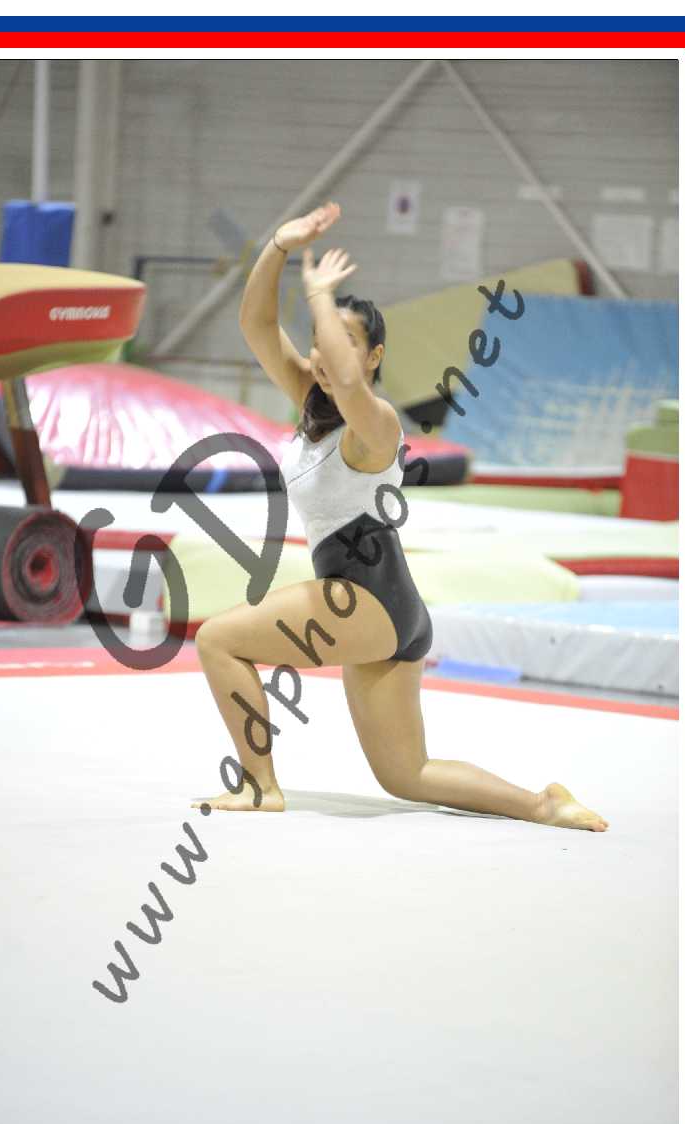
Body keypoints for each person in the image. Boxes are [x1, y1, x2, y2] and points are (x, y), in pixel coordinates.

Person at [192, 201, 608, 832]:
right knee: (406, 774)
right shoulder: (312, 402)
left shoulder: (377, 422)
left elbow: (349, 385)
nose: (324, 353)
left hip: (364, 597)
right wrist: (278, 245)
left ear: (374, 355)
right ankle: (543, 803)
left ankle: (259, 786)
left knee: (218, 639)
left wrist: (320, 296)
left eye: (343, 342)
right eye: (320, 341)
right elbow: (256, 325)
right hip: (384, 605)